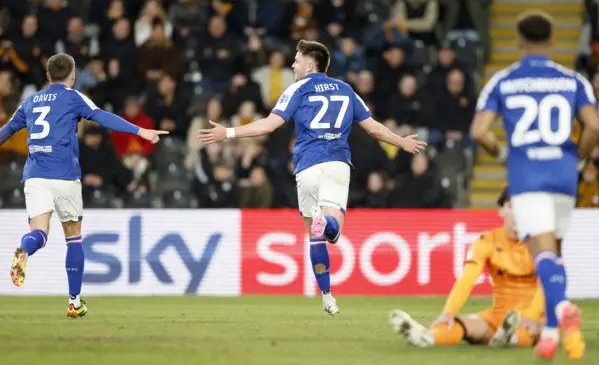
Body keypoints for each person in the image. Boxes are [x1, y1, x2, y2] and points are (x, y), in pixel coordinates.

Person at [199, 40, 427, 316]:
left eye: (296, 60)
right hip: (337, 163)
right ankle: (327, 229)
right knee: (332, 232)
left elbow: (270, 125)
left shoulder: (297, 88)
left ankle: (327, 295)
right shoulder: (346, 90)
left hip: (307, 166)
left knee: (315, 236)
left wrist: (229, 133)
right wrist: (401, 142)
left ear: (310, 65)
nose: (293, 64)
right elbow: (374, 129)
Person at [470, 11, 599, 361]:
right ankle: (552, 331)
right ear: (553, 41)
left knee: (541, 251)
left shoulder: (504, 80)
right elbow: (593, 126)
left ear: (517, 42)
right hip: (563, 174)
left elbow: (479, 131)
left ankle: (562, 312)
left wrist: (502, 156)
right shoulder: (573, 80)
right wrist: (580, 161)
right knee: (554, 253)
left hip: (528, 175)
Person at [0, 53, 167, 318]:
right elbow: (103, 117)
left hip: (35, 176)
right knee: (73, 238)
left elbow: (6, 131)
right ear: (73, 75)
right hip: (64, 176)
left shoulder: (29, 102)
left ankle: (25, 250)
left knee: (39, 233)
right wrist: (140, 131)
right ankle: (74, 302)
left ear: (47, 76)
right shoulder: (73, 97)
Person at [390, 188, 544, 349]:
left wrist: (531, 317)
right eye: (512, 207)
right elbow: (467, 279)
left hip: (535, 317)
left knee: (537, 328)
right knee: (459, 323)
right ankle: (428, 337)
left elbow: (545, 287)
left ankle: (510, 338)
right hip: (498, 317)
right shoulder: (486, 241)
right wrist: (448, 313)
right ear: (501, 211)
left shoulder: (541, 244)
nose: (518, 214)